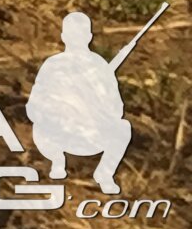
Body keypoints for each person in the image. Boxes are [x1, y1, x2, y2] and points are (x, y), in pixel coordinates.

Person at [28, 13, 134, 194]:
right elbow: (117, 109)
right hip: (89, 140)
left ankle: (61, 163)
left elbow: (33, 106)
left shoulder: (52, 64)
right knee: (123, 128)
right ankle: (103, 173)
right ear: (89, 37)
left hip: (61, 137)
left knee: (40, 124)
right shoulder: (98, 66)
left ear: (63, 37)